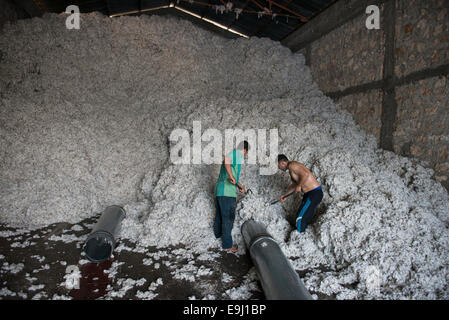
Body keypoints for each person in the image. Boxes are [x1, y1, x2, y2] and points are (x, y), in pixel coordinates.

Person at [213, 141, 248, 252]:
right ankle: (227, 245)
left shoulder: (235, 156)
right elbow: (226, 160)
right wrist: (232, 176)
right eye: (246, 153)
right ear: (245, 150)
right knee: (228, 218)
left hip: (219, 191)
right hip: (227, 193)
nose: (245, 155)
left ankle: (217, 236)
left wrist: (240, 186)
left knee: (220, 215)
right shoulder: (236, 154)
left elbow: (232, 178)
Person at [277, 154, 323, 233]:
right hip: (308, 194)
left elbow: (306, 175)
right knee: (299, 215)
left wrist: (299, 185)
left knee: (300, 218)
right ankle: (302, 234)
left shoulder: (292, 165)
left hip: (314, 193)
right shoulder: (291, 171)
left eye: (278, 166)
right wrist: (284, 196)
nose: (278, 168)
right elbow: (294, 185)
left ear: (282, 163)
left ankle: (299, 237)